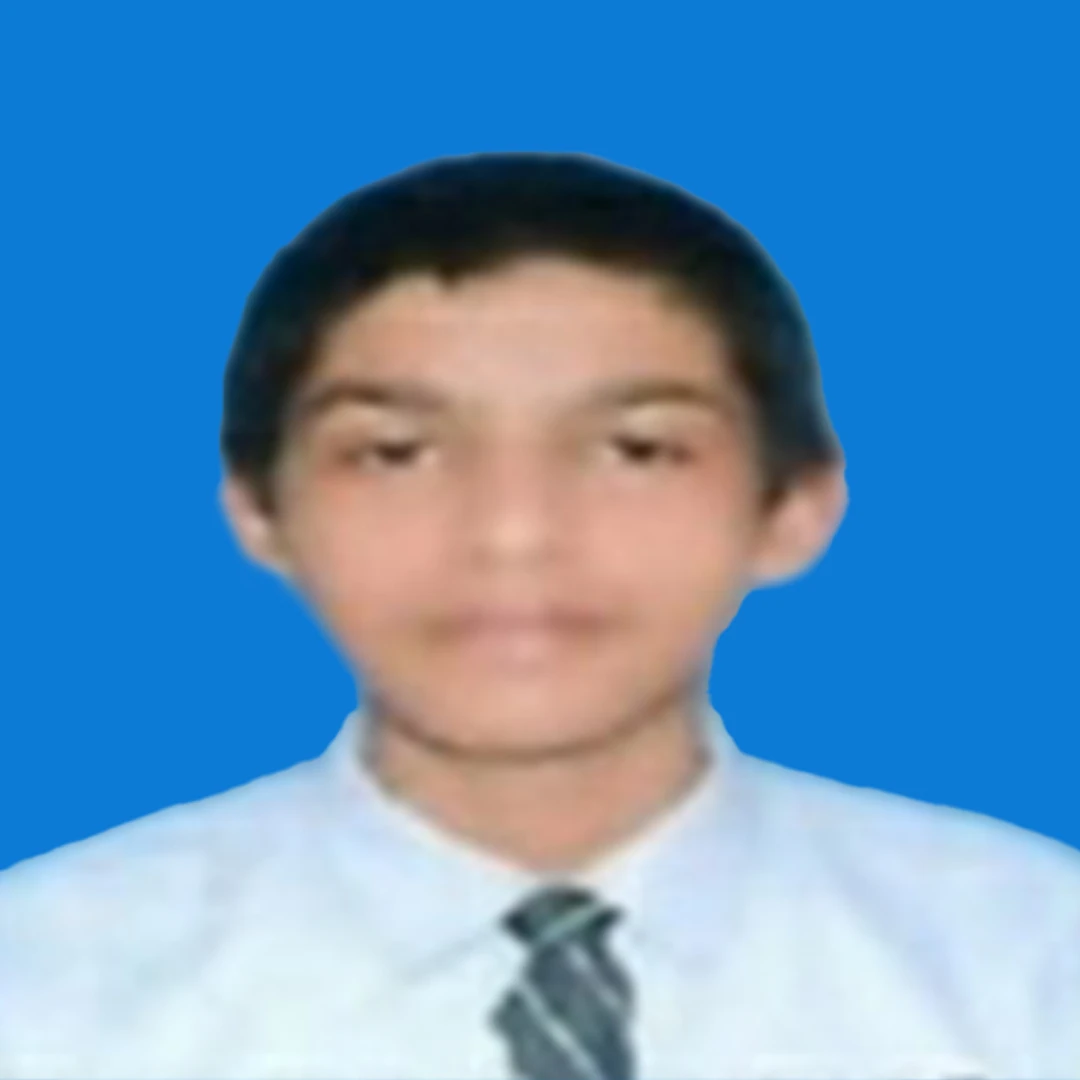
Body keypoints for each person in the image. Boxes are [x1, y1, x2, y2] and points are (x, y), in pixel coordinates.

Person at [0, 151, 1077, 1080]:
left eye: (636, 449)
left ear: (794, 508)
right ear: (258, 510)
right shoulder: (44, 988)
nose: (513, 533)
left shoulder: (1030, 967)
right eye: (396, 453)